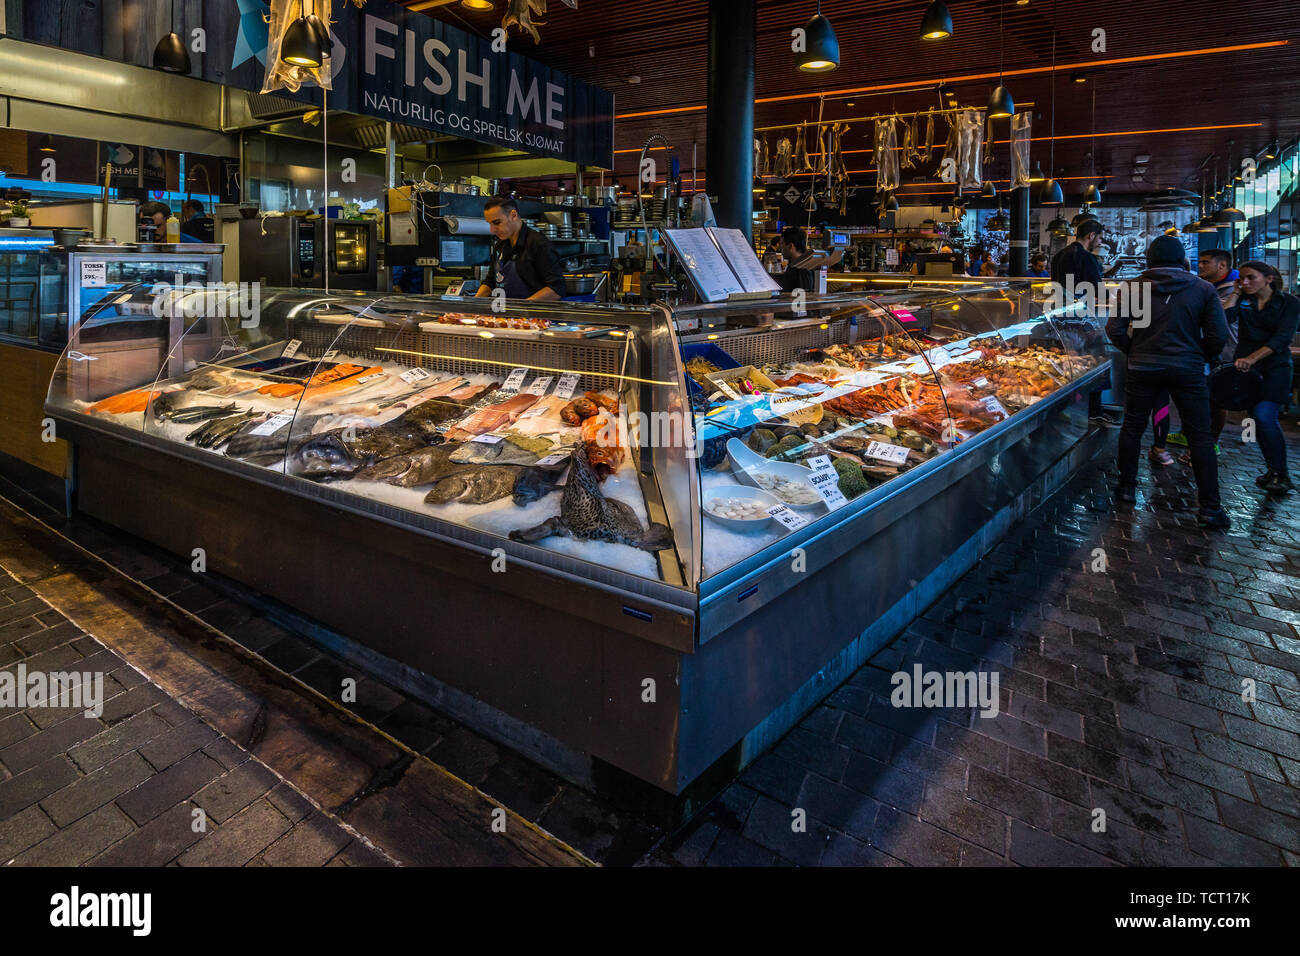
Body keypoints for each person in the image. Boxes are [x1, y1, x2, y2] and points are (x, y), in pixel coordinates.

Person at [1105, 235, 1230, 527]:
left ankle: (1126, 489)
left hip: (1143, 367)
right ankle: (1210, 508)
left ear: (1148, 259)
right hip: (1188, 369)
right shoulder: (1203, 289)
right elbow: (1218, 336)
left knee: (1133, 428)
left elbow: (1115, 329)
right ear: (1182, 260)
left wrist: (1133, 349)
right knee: (1200, 436)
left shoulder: (1134, 287)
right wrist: (1199, 355)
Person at [1222, 261, 1300, 494]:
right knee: (1257, 417)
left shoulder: (1289, 303)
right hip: (1248, 369)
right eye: (1241, 279)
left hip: (1275, 367)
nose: (1245, 283)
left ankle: (1281, 473)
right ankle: (1273, 469)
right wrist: (1235, 292)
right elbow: (1224, 318)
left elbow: (1281, 339)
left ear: (1268, 278)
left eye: (1251, 278)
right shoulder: (1245, 299)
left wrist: (1253, 358)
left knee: (1266, 415)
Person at [1169, 249, 1238, 455]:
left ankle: (1212, 442)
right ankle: (1185, 433)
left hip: (1224, 352)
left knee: (1216, 400)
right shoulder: (1207, 287)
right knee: (1192, 397)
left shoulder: (1234, 289)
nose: (1200, 266)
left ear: (1222, 265)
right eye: (1199, 262)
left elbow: (1222, 319)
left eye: (1205, 262)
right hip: (1201, 350)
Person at [475, 195, 565, 300]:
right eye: (489, 224)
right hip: (504, 313)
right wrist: (472, 303)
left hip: (532, 314)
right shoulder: (500, 245)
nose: (492, 230)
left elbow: (556, 289)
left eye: (496, 222)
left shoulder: (539, 244)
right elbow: (490, 282)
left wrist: (522, 309)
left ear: (513, 215)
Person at [776, 226, 842, 292]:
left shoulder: (800, 269)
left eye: (782, 244)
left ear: (791, 246)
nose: (780, 248)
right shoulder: (807, 265)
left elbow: (802, 296)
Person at [1050, 220, 1104, 295]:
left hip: (1059, 303)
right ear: (1091, 235)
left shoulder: (1058, 255)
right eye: (1100, 238)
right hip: (1078, 304)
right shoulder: (1087, 257)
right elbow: (1097, 289)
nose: (1100, 242)